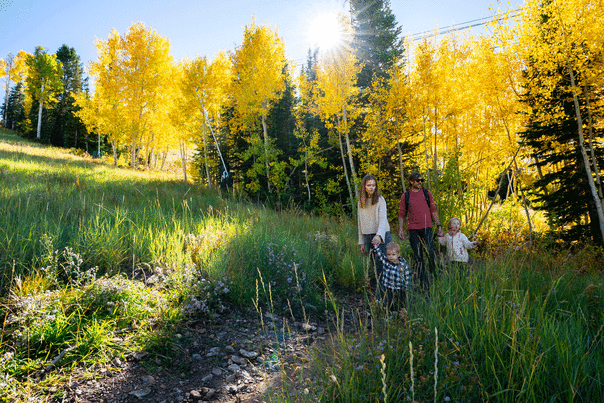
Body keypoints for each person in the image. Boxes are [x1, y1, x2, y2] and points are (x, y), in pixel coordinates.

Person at [398, 172, 443, 291]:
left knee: (430, 253)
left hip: (427, 227)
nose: (420, 183)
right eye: (418, 181)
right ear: (411, 182)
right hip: (413, 230)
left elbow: (433, 209)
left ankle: (435, 278)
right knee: (418, 257)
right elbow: (402, 213)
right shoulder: (406, 196)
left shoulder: (427, 193)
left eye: (421, 180)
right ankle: (424, 284)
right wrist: (401, 229)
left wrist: (439, 225)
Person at [358, 174, 392, 290]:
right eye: (369, 185)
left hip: (382, 235)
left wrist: (379, 236)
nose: (372, 187)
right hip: (368, 235)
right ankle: (380, 291)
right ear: (364, 187)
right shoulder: (361, 202)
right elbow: (360, 223)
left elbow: (383, 219)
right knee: (375, 265)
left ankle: (385, 291)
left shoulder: (380, 200)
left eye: (373, 185)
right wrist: (361, 241)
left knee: (384, 264)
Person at [372, 242, 412, 310]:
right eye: (389, 254)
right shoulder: (386, 262)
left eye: (393, 254)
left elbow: (407, 276)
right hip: (388, 287)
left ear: (398, 254)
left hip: (399, 288)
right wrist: (376, 246)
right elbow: (380, 255)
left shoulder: (403, 265)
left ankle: (400, 313)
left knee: (399, 302)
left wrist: (407, 287)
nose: (391, 257)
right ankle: (389, 313)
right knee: (388, 301)